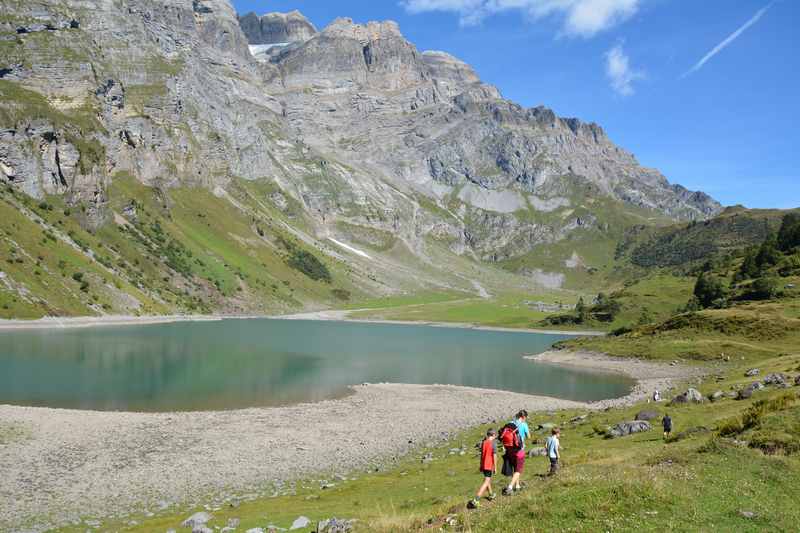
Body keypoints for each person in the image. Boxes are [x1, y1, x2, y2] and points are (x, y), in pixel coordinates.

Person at [503, 410, 530, 495]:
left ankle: (517, 486)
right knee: (518, 469)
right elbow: (529, 436)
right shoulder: (524, 424)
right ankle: (510, 487)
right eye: (526, 417)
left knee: (515, 467)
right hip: (519, 449)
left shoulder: (510, 422)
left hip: (509, 450)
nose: (526, 419)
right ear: (523, 417)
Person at [469, 429, 497, 508]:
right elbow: (494, 456)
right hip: (489, 464)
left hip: (484, 464)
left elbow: (482, 455)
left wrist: (481, 465)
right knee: (486, 481)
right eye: (495, 435)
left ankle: (491, 494)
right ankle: (476, 499)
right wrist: (495, 467)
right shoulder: (493, 444)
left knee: (487, 480)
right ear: (493, 435)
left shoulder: (484, 442)